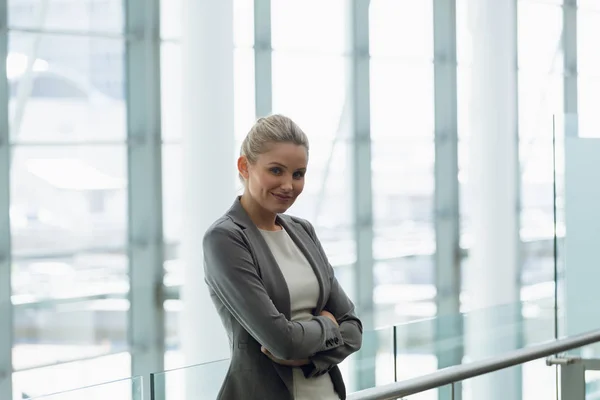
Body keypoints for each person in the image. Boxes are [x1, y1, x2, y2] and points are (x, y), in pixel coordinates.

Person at [203, 114, 363, 400]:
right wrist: (329, 325)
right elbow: (282, 342)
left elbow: (354, 328)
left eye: (298, 174)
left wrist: (311, 355)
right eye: (276, 171)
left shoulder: (302, 231)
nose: (289, 185)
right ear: (245, 167)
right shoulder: (225, 239)